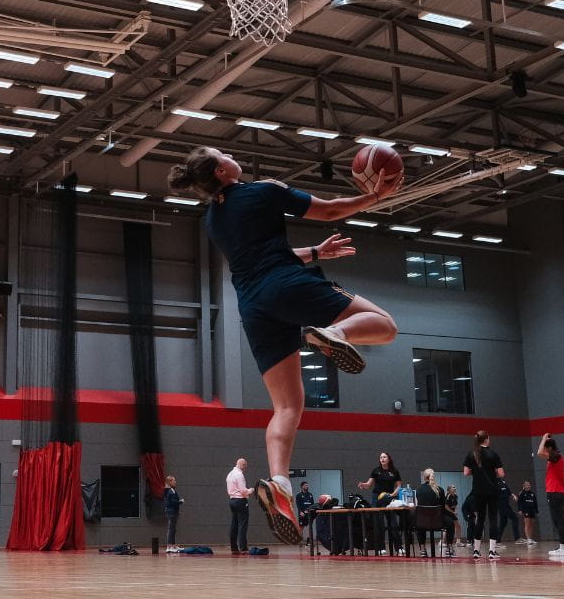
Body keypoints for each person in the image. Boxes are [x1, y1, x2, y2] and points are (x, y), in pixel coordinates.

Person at [168, 148, 401, 545]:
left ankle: (280, 484)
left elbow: (262, 254)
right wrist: (376, 196)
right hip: (285, 285)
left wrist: (315, 253)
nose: (230, 153)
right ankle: (335, 335)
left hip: (254, 307)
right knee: (385, 325)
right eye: (222, 153)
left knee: (288, 406)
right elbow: (329, 209)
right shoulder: (262, 191)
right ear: (223, 170)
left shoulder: (213, 219)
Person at [463, 429, 506, 559]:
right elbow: (501, 474)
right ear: (486, 439)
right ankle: (492, 551)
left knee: (480, 520)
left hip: (477, 491)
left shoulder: (472, 454)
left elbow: (466, 473)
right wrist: (493, 473)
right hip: (492, 491)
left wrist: (476, 472)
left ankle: (476, 550)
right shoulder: (493, 454)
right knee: (493, 519)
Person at [358, 451, 404, 555]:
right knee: (379, 524)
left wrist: (392, 494)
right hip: (377, 498)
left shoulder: (394, 471)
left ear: (388, 459)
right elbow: (369, 484)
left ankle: (399, 548)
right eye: (380, 457)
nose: (382, 459)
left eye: (384, 457)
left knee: (393, 523)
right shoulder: (376, 470)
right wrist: (363, 485)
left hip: (389, 497)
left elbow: (399, 486)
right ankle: (381, 548)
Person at [536, 433, 564, 557]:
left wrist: (543, 439)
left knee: (560, 520)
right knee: (557, 521)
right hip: (556, 493)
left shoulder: (557, 457)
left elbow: (539, 452)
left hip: (555, 492)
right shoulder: (555, 457)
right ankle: (563, 546)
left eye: (546, 448)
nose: (545, 450)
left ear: (550, 448)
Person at [414, 469, 446, 557]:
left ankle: (422, 549)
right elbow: (443, 507)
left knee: (418, 524)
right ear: (433, 476)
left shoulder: (419, 490)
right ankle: (449, 548)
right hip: (437, 521)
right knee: (450, 522)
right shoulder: (440, 489)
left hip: (423, 522)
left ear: (424, 477)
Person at [225, 458, 251, 553]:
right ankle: (243, 547)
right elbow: (243, 491)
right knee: (242, 525)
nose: (245, 469)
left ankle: (234, 548)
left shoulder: (230, 474)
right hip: (240, 501)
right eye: (245, 466)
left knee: (234, 524)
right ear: (242, 465)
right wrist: (250, 490)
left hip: (232, 500)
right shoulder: (239, 475)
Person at [495, 478, 521, 543]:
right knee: (514, 518)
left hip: (506, 504)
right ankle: (517, 538)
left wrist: (513, 495)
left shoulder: (503, 481)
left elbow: (508, 491)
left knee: (503, 523)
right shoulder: (494, 482)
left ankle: (497, 541)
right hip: (501, 505)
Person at [163, 475, 184, 552]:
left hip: (173, 512)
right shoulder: (170, 491)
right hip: (171, 512)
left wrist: (177, 511)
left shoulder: (172, 490)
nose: (175, 482)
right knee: (170, 529)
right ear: (169, 482)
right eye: (173, 480)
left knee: (173, 529)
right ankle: (169, 547)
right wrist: (180, 502)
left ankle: (173, 546)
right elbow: (173, 502)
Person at [516, 480, 539, 546]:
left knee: (532, 524)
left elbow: (535, 503)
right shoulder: (522, 493)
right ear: (524, 486)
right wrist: (520, 510)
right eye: (527, 485)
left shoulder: (532, 493)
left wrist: (536, 511)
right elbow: (519, 502)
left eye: (529, 485)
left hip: (532, 510)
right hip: (526, 510)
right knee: (527, 524)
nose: (529, 486)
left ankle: (531, 538)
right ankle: (528, 539)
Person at [443, 484, 460, 551]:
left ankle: (458, 541)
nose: (454, 488)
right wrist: (453, 512)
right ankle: (442, 541)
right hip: (447, 513)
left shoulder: (456, 496)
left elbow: (455, 505)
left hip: (452, 513)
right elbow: (446, 506)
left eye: (455, 487)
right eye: (453, 487)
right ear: (449, 489)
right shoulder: (447, 496)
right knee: (447, 527)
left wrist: (455, 511)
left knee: (458, 526)